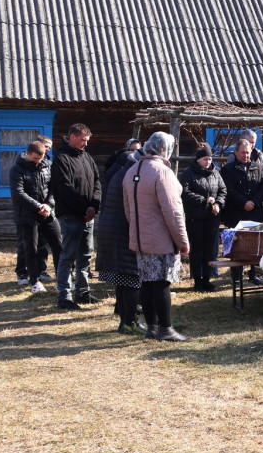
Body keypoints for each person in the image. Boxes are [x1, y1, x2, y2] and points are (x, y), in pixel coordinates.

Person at [121, 132, 190, 342]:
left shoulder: (132, 170)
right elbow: (173, 211)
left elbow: (127, 210)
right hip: (161, 238)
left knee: (147, 283)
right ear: (163, 149)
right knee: (161, 283)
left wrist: (137, 230)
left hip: (140, 237)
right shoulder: (162, 172)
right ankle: (166, 328)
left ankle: (151, 327)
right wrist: (182, 241)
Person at [50, 123, 101, 310]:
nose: (85, 144)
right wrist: (84, 210)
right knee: (68, 256)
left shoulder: (87, 157)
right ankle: (64, 296)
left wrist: (94, 206)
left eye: (87, 140)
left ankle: (83, 292)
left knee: (86, 255)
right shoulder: (61, 160)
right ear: (72, 137)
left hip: (88, 215)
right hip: (71, 216)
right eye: (82, 140)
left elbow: (97, 183)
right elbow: (65, 190)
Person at [97, 143, 141, 332]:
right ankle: (129, 322)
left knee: (122, 279)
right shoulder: (129, 176)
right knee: (131, 278)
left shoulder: (118, 173)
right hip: (122, 231)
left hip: (111, 230)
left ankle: (125, 321)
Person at [10, 141, 63, 295]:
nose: (38, 162)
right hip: (27, 215)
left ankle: (62, 279)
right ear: (27, 154)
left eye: (40, 158)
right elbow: (18, 194)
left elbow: (54, 189)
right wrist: (39, 206)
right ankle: (35, 281)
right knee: (31, 248)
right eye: (34, 159)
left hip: (47, 213)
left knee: (58, 245)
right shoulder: (16, 170)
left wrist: (48, 205)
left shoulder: (48, 166)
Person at [180, 146, 227, 293]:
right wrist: (203, 200)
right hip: (195, 218)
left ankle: (207, 280)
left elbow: (223, 190)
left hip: (212, 217)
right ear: (198, 159)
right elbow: (184, 192)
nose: (208, 161)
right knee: (197, 250)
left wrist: (218, 203)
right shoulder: (188, 173)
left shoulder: (215, 173)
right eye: (205, 159)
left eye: (210, 159)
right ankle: (198, 281)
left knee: (209, 250)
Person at [220, 139, 263, 227]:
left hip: (255, 213)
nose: (246, 155)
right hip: (235, 214)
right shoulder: (227, 170)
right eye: (243, 153)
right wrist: (243, 202)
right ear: (236, 152)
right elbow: (229, 189)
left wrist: (253, 202)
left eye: (247, 152)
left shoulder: (259, 167)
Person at [237, 129, 263, 218]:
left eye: (253, 142)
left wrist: (258, 199)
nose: (251, 145)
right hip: (238, 205)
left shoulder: (260, 156)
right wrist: (242, 201)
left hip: (257, 202)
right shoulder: (234, 156)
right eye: (248, 142)